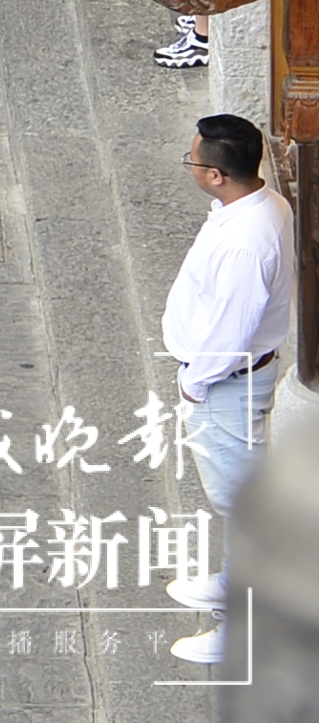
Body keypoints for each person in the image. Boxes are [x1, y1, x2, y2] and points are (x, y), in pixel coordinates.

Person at [163, 112, 295, 662]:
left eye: (193, 161)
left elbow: (231, 331)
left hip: (225, 385)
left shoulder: (246, 242)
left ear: (216, 175)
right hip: (233, 379)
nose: (192, 167)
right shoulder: (262, 204)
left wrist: (194, 385)